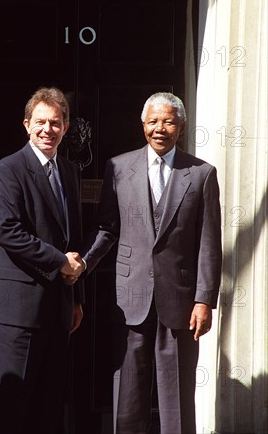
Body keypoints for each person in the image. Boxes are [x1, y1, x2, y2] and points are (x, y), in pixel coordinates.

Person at [78, 92, 222, 434]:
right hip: (130, 297)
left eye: (169, 121)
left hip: (181, 301)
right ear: (143, 125)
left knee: (177, 400)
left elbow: (209, 241)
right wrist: (83, 264)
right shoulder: (118, 167)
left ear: (181, 128)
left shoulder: (201, 174)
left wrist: (204, 299)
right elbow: (107, 228)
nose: (161, 128)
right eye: (154, 121)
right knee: (128, 394)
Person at [0, 87, 85, 434]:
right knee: (10, 413)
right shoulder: (7, 170)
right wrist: (59, 262)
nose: (48, 129)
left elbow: (73, 238)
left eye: (55, 123)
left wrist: (76, 297)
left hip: (58, 311)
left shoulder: (69, 171)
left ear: (66, 128)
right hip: (19, 314)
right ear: (27, 125)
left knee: (47, 409)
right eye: (40, 122)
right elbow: (8, 232)